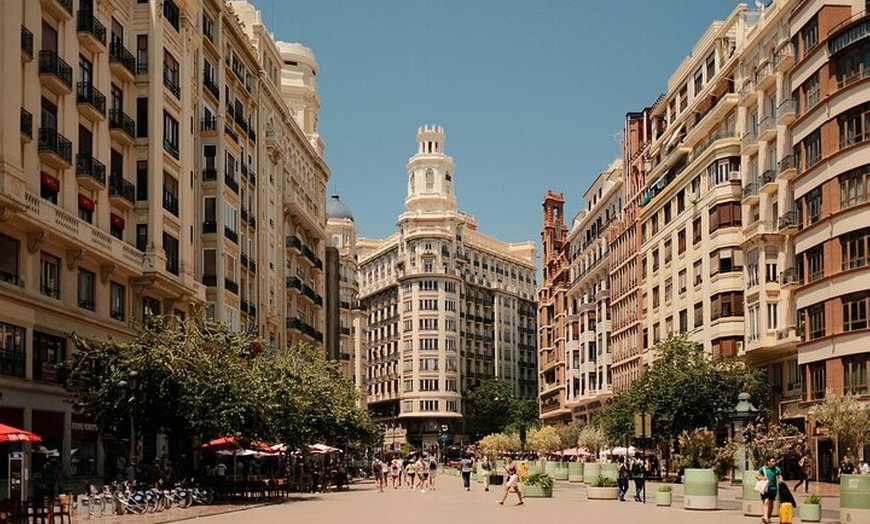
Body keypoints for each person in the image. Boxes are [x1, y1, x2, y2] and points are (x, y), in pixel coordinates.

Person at [756, 456, 781, 524]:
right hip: (765, 488)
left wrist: (781, 481)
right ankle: (766, 516)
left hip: (773, 488)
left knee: (771, 503)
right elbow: (757, 476)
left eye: (774, 461)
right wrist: (762, 478)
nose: (774, 462)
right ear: (768, 462)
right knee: (766, 501)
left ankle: (768, 517)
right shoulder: (763, 469)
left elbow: (780, 476)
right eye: (772, 461)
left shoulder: (776, 469)